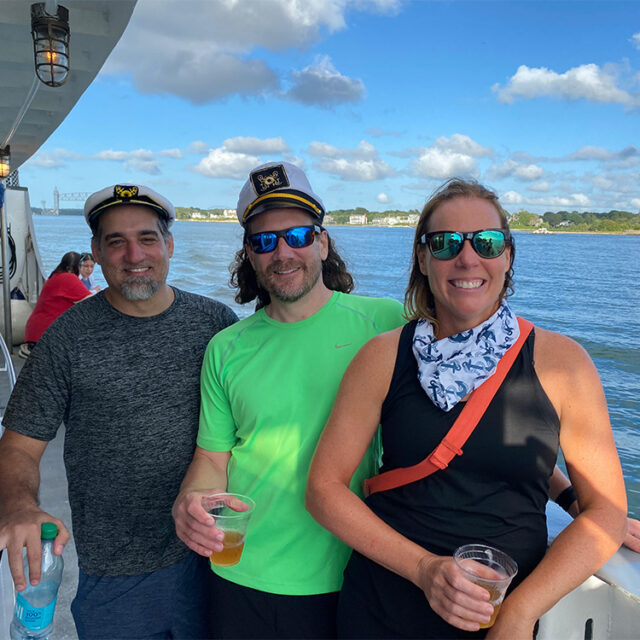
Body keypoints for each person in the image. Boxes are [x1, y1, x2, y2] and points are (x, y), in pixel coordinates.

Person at [306, 178, 628, 639]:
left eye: (487, 242)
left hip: (502, 620)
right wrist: (423, 569)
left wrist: (521, 611)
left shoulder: (563, 364)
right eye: (446, 243)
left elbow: (606, 511)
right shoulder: (382, 357)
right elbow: (323, 489)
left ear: (508, 255)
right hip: (382, 609)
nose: (468, 257)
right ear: (422, 258)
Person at [172, 162, 406, 639]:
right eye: (263, 241)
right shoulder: (227, 347)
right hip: (241, 573)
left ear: (322, 242)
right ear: (250, 256)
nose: (282, 252)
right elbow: (213, 456)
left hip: (354, 569)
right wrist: (190, 498)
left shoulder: (387, 324)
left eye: (297, 235)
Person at [0, 184, 238, 639]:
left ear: (168, 244)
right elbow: (18, 449)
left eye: (147, 238)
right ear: (96, 251)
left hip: (216, 555)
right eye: (116, 241)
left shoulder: (216, 324)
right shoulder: (67, 340)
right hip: (118, 575)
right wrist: (16, 509)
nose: (134, 255)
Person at [18, 251, 91, 358]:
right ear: (77, 267)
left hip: (35, 333)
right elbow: (90, 301)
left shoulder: (54, 277)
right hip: (47, 335)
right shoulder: (68, 278)